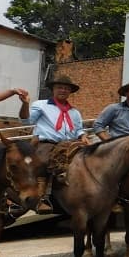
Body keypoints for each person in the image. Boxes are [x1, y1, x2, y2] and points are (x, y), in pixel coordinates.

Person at [22, 74, 88, 214]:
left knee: (91, 160)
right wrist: (25, 104)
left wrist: (83, 136)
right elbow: (26, 121)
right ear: (53, 89)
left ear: (70, 92)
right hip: (48, 143)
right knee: (44, 162)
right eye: (60, 87)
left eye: (66, 88)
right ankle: (42, 199)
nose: (63, 90)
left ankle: (90, 194)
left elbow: (79, 130)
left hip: (70, 144)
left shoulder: (74, 112)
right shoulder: (41, 105)